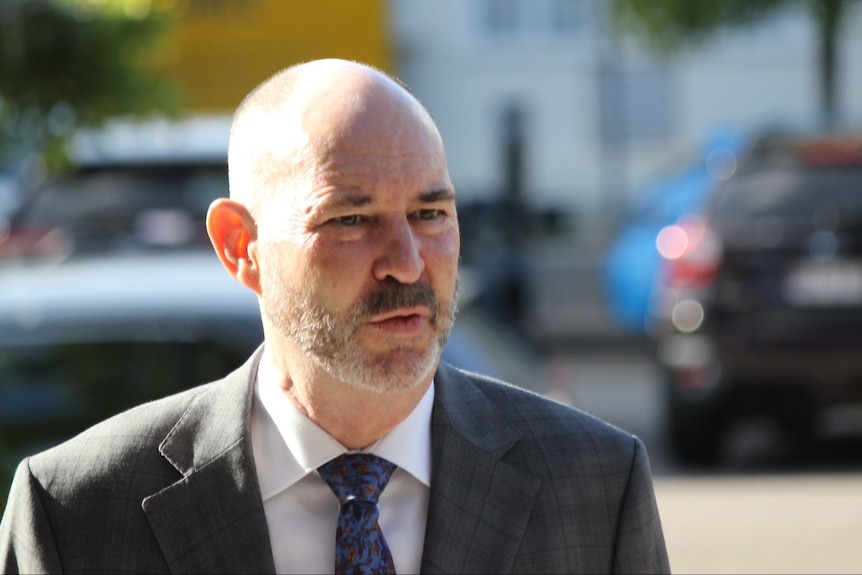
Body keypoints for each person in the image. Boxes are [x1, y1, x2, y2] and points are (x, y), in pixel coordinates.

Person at [0, 59, 670, 574]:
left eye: (431, 213)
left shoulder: (593, 485)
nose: (407, 262)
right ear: (242, 247)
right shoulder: (77, 509)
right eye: (352, 220)